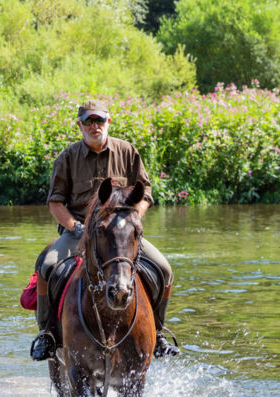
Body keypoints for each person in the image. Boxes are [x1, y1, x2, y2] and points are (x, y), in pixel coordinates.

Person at [30, 100, 179, 361]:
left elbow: (146, 192)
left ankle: (159, 332)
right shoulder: (67, 158)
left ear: (108, 122)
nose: (94, 126)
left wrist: (132, 219)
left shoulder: (127, 151)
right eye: (88, 121)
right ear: (80, 125)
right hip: (77, 231)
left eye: (99, 120)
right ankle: (47, 334)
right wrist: (75, 227)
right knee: (46, 266)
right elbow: (55, 203)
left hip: (121, 234)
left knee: (165, 270)